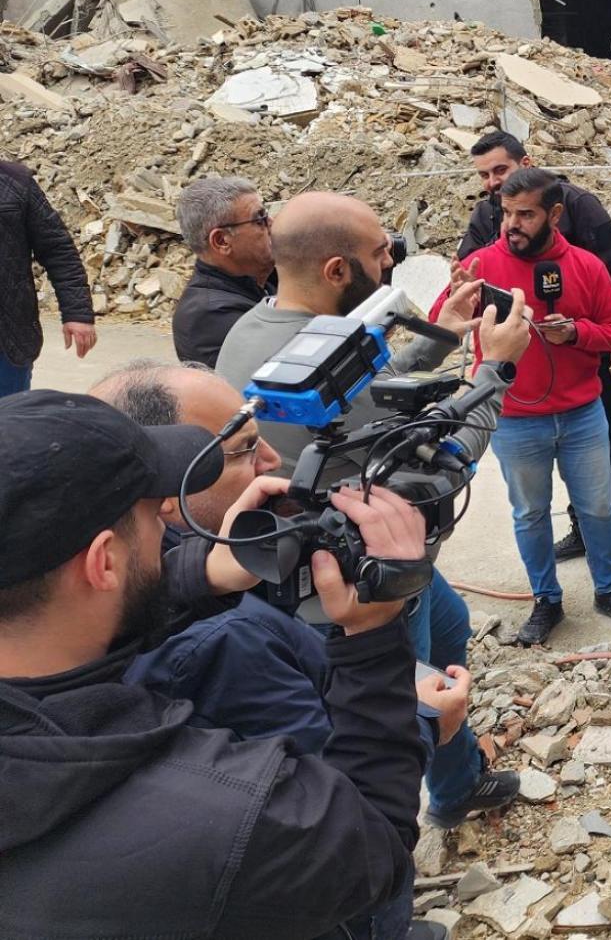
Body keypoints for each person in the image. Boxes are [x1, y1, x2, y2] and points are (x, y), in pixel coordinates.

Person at [0, 391, 432, 938]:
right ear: (103, 561)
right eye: (150, 510)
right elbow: (374, 852)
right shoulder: (222, 813)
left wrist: (199, 573)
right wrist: (372, 640)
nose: (166, 516)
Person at [93, 360, 467, 940]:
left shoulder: (121, 612)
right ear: (167, 498)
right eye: (241, 450)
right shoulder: (226, 644)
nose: (272, 463)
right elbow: (357, 835)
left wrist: (209, 569)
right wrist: (417, 715)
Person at [217, 190, 526, 828]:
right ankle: (391, 858)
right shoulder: (307, 343)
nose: (391, 263)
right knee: (397, 723)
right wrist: (495, 370)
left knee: (449, 624)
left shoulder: (263, 332)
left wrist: (445, 335)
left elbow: (365, 389)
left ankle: (459, 777)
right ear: (337, 270)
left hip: (388, 566)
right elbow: (441, 467)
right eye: (380, 253)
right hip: (359, 589)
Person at [450, 167, 611, 642]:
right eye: (506, 214)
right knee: (530, 513)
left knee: (598, 509)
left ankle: (608, 588)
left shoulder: (586, 265)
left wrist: (576, 332)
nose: (511, 224)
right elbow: (447, 322)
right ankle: (546, 600)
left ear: (554, 214)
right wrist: (457, 303)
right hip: (515, 419)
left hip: (583, 414)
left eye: (525, 214)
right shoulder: (479, 265)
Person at [0, 158, 95, 395]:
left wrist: (77, 313)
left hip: (8, 342)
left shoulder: (16, 182)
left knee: (10, 425)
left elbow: (57, 249)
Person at [172, 176, 276, 368]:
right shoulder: (208, 316)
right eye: (259, 219)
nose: (272, 223)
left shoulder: (262, 276)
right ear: (222, 241)